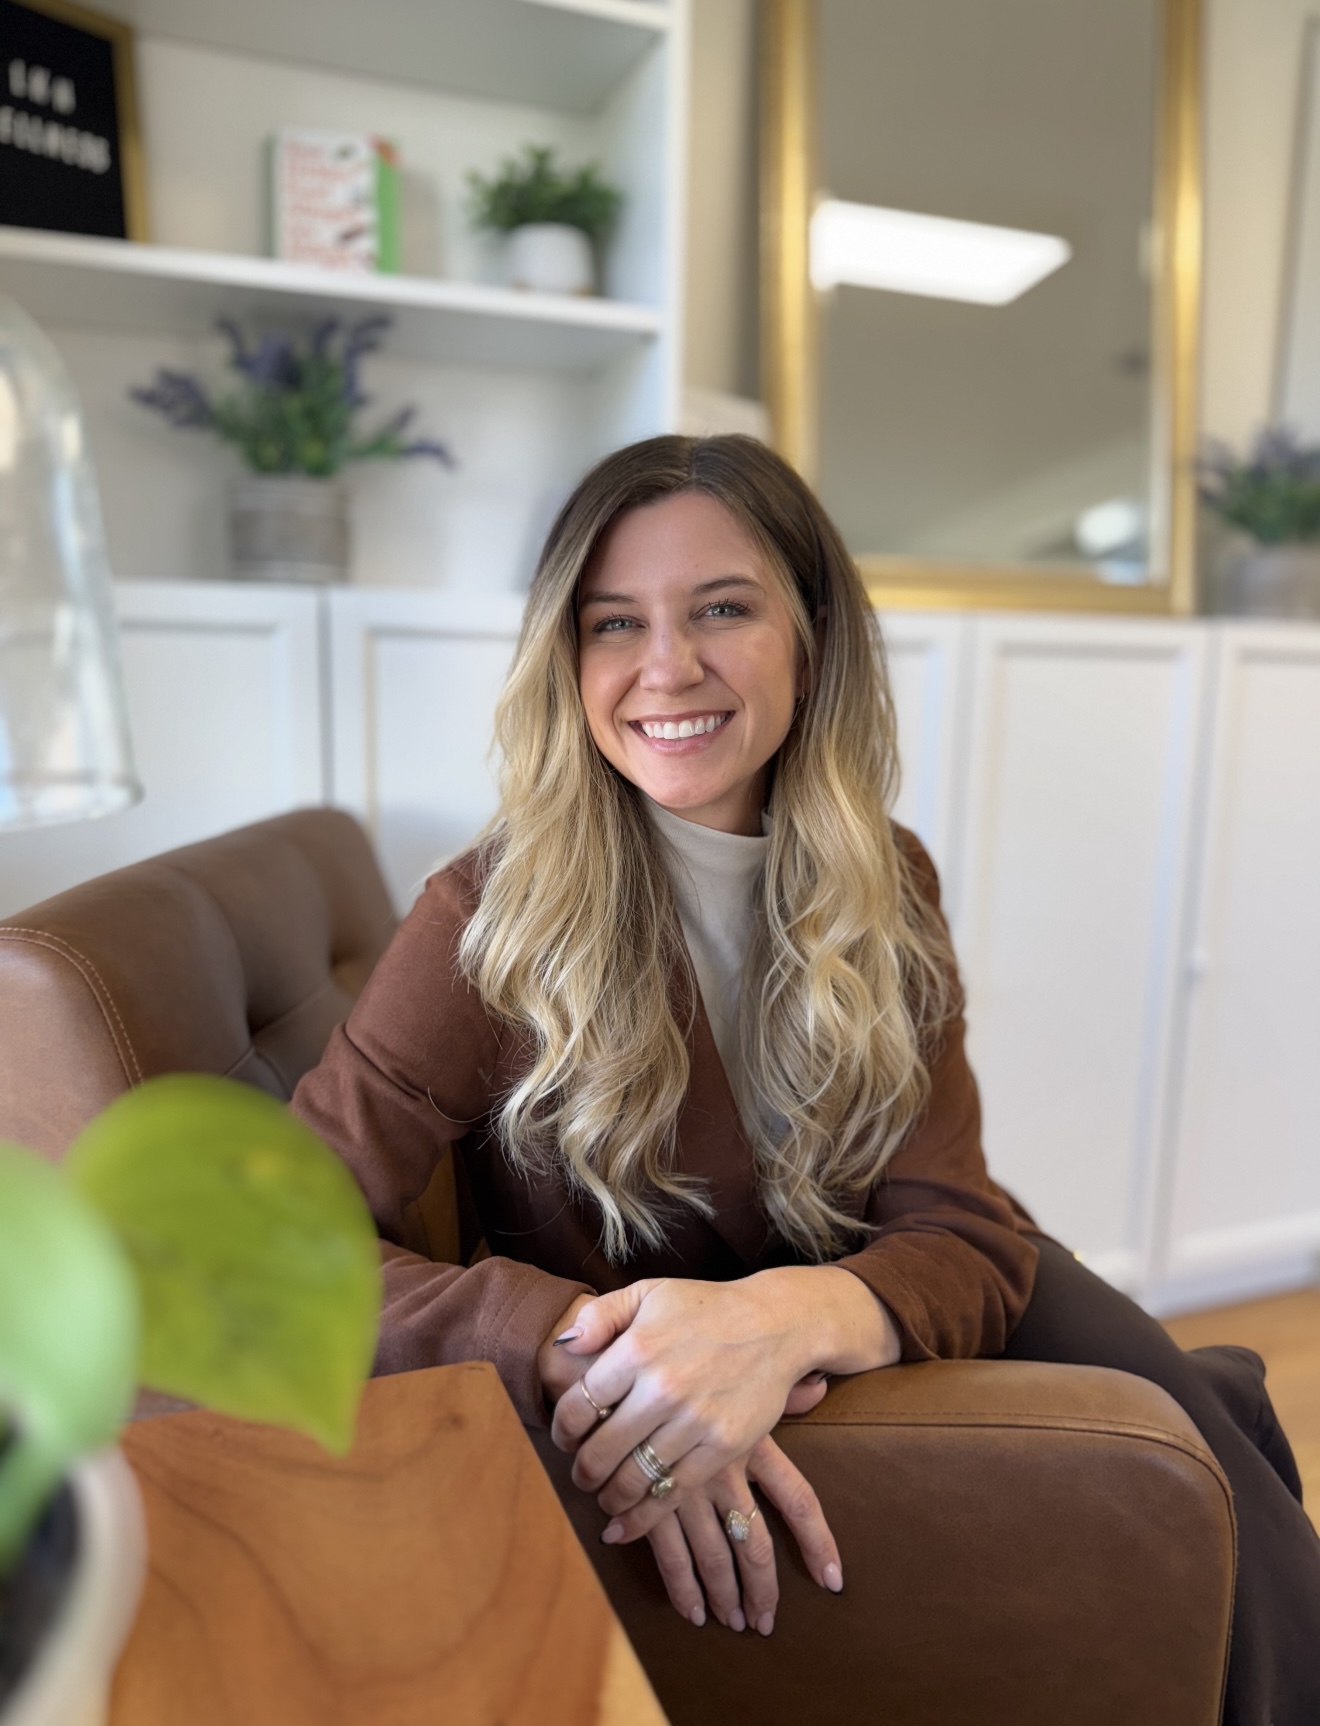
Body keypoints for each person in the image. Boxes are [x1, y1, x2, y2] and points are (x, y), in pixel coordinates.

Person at [292, 434, 1320, 1726]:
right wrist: (575, 1344)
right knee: (1207, 1436)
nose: (668, 667)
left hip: (870, 1313)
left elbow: (960, 1221)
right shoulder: (485, 916)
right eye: (616, 623)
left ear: (813, 633)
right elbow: (272, 1246)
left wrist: (796, 1314)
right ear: (568, 658)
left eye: (723, 607)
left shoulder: (885, 873)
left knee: (1203, 1433)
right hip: (681, 1377)